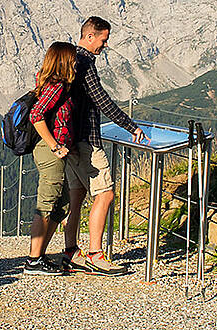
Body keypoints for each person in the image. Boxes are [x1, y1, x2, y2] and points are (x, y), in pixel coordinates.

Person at [62, 16, 145, 276]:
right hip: (87, 140)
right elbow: (102, 101)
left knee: (77, 197)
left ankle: (71, 251)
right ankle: (96, 255)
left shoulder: (68, 59)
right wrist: (131, 126)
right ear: (90, 36)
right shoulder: (85, 62)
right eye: (103, 39)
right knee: (106, 193)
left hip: (69, 141)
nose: (104, 45)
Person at [22, 42, 80, 275]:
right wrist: (55, 145)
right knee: (47, 202)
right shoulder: (57, 85)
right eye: (73, 59)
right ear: (65, 60)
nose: (76, 63)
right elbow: (37, 115)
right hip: (49, 152)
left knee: (61, 202)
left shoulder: (48, 80)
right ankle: (33, 260)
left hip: (53, 150)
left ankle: (40, 256)